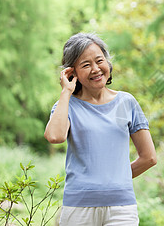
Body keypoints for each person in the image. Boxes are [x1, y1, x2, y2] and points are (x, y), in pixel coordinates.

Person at [44, 33, 157, 226]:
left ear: (108, 63)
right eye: (86, 65)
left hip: (121, 209)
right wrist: (66, 92)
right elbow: (55, 136)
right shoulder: (66, 104)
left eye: (99, 61)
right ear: (73, 72)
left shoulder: (127, 102)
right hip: (78, 208)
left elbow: (149, 157)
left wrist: (114, 181)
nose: (96, 69)